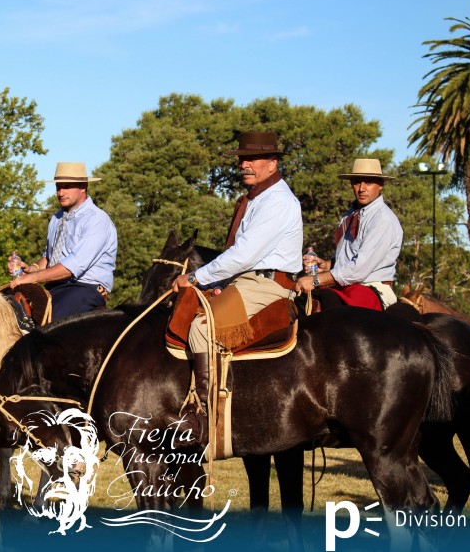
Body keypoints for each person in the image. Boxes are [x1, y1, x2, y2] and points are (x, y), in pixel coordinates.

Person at [172, 131, 303, 442]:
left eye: (252, 159)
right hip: (248, 281)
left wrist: (194, 278)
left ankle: (204, 416)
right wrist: (214, 282)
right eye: (242, 159)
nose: (245, 164)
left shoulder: (278, 201)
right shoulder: (258, 198)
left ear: (272, 163)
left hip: (267, 285)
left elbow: (243, 255)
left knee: (203, 328)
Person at [8, 162, 117, 321]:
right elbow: (49, 257)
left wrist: (31, 279)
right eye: (58, 186)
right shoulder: (57, 218)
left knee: (48, 328)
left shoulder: (97, 220)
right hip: (56, 287)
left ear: (83, 186)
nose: (60, 192)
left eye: (66, 186)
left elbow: (72, 267)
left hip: (86, 288)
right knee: (9, 305)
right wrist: (31, 269)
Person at [296, 158, 401, 310]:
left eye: (368, 183)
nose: (361, 189)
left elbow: (360, 268)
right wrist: (327, 265)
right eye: (357, 182)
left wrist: (316, 280)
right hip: (348, 284)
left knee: (327, 309)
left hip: (373, 288)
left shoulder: (382, 220)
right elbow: (350, 256)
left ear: (380, 185)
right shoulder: (351, 214)